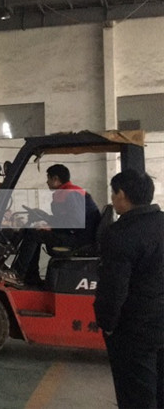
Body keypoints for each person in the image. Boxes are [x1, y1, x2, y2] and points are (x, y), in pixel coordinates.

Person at [94, 169, 164, 409]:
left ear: (122, 194)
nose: (113, 200)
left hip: (135, 330)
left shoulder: (120, 234)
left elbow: (113, 289)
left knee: (136, 394)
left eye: (113, 194)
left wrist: (107, 324)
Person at [11, 164, 100, 285]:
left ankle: (17, 274)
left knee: (33, 234)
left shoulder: (71, 193)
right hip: (76, 235)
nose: (47, 182)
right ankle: (31, 277)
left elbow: (75, 222)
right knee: (32, 231)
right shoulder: (66, 192)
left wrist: (51, 226)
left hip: (79, 239)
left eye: (48, 178)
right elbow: (65, 219)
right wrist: (45, 216)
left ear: (55, 179)